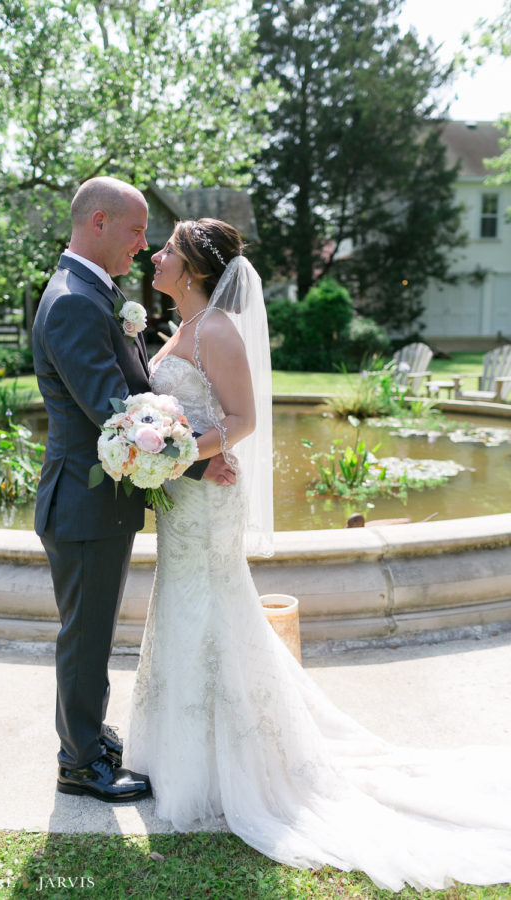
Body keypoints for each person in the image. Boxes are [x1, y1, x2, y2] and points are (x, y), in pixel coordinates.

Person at [124, 217, 511, 891]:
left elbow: (243, 421)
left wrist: (185, 453)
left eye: (167, 251)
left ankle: (227, 766)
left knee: (210, 611)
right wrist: (157, 452)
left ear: (192, 270)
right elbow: (168, 411)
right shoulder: (178, 329)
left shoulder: (216, 331)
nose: (155, 256)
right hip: (180, 503)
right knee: (181, 609)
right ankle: (178, 754)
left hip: (208, 505)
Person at [32, 178, 234, 805]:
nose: (143, 246)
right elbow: (115, 413)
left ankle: (88, 735)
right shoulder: (72, 300)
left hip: (101, 505)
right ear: (98, 222)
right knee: (86, 637)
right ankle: (80, 765)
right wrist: (199, 464)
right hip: (83, 505)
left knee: (91, 630)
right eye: (134, 230)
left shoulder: (97, 293)